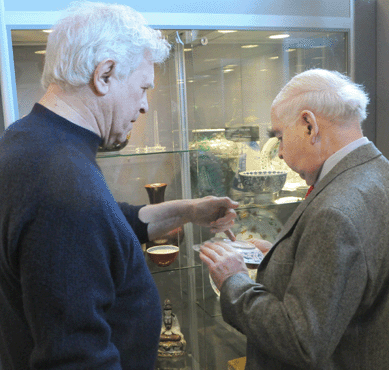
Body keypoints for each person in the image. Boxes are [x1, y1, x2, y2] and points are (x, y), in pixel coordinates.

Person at [0, 2, 239, 369]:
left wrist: (189, 211)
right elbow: (76, 359)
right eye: (143, 87)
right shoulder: (61, 181)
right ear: (105, 74)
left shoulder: (32, 141)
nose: (144, 106)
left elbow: (106, 228)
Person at [200, 68, 389, 369]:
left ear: (308, 125)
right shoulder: (378, 173)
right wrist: (278, 259)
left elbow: (300, 341)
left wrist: (233, 281)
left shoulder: (334, 211)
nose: (279, 154)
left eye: (279, 137)